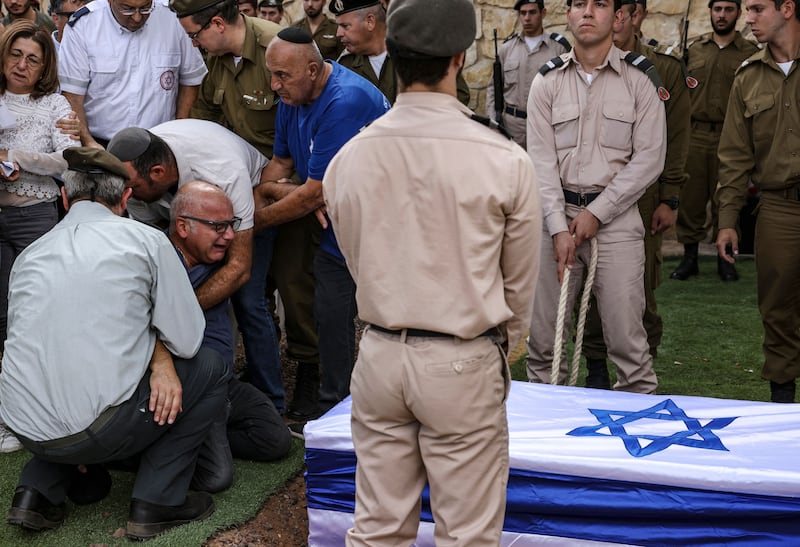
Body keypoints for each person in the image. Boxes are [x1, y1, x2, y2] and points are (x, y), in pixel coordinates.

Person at [323, 0, 540, 542]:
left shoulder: (349, 156)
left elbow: (354, 257)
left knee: (377, 527)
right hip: (461, 354)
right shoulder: (504, 157)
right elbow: (519, 281)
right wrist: (499, 344)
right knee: (466, 532)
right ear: (459, 58)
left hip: (379, 350)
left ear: (393, 54)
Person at [0, 147, 227, 539]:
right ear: (125, 198)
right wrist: (160, 358)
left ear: (66, 197)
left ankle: (35, 491)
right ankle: (158, 500)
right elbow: (188, 340)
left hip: (24, 428)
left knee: (65, 373)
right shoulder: (146, 240)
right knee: (211, 365)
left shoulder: (30, 254)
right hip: (96, 428)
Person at [526, 0, 666, 394]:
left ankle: (634, 438)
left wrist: (598, 214)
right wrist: (557, 227)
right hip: (555, 219)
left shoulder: (641, 79)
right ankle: (544, 442)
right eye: (577, 4)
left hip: (617, 220)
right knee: (543, 344)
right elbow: (539, 162)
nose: (587, 12)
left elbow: (650, 159)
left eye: (599, 4)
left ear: (619, 17)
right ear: (568, 15)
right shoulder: (546, 81)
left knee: (627, 342)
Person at [254, 27, 389, 428]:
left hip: (384, 230)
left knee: (388, 322)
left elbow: (314, 194)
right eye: (272, 74)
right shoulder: (291, 98)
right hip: (340, 230)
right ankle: (335, 412)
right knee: (330, 315)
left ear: (313, 69)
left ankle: (391, 410)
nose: (274, 85)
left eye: (282, 76)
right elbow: (280, 167)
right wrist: (279, 190)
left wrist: (252, 223)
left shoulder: (344, 100)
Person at [106, 119, 286, 416]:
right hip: (177, 213)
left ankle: (271, 399)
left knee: (248, 299)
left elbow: (240, 267)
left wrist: (177, 312)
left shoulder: (224, 171)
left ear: (158, 172)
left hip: (240, 208)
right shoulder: (139, 180)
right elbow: (151, 259)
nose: (126, 196)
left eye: (131, 187)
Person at [580, 0, 690, 387]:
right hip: (586, 194)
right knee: (589, 288)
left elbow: (675, 137)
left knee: (636, 289)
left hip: (642, 195)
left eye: (627, 12)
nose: (620, 19)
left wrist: (670, 196)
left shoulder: (663, 70)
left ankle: (638, 370)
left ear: (636, 15)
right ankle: (594, 369)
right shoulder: (576, 65)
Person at [168, 181, 291, 492]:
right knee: (216, 478)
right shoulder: (158, 264)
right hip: (188, 391)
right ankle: (153, 449)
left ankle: (197, 440)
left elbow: (241, 264)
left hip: (223, 385)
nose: (230, 235)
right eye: (217, 226)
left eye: (231, 225)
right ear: (183, 226)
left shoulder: (222, 262)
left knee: (274, 441)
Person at [715, 0, 800, 403]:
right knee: (777, 311)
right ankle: (784, 411)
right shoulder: (746, 77)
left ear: (787, 8)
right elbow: (734, 156)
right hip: (779, 208)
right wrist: (728, 219)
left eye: (756, 8)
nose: (747, 18)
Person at [0, 21, 78, 346]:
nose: (21, 65)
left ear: (45, 66)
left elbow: (67, 158)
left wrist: (15, 156)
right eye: (15, 54)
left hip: (36, 218)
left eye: (32, 59)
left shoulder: (54, 105)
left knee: (38, 300)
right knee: (2, 308)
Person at [671, 0, 758, 282]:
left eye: (728, 10)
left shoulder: (750, 54)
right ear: (710, 12)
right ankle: (690, 256)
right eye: (717, 9)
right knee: (691, 199)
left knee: (728, 198)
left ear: (737, 13)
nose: (721, 15)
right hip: (695, 134)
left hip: (730, 136)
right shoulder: (694, 50)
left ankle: (726, 258)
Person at [57, 0, 207, 147]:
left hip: (161, 143)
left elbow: (191, 80)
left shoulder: (173, 19)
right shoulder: (83, 25)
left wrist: (179, 135)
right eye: (127, 9)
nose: (137, 17)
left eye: (145, 8)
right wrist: (89, 143)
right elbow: (72, 96)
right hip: (101, 144)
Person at [171, 0, 281, 159]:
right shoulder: (216, 56)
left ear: (218, 24)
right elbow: (204, 114)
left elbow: (306, 123)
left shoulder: (276, 48)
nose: (194, 44)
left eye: (194, 35)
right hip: (237, 159)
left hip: (280, 164)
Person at [331, 0, 472, 105]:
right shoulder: (345, 65)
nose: (338, 33)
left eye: (345, 26)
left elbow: (459, 95)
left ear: (370, 21)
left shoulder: (416, 52)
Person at [485, 0, 571, 148]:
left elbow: (569, 91)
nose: (526, 18)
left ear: (543, 13)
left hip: (545, 126)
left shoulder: (558, 49)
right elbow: (494, 88)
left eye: (532, 12)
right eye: (523, 13)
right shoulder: (507, 49)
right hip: (511, 128)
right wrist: (493, 122)